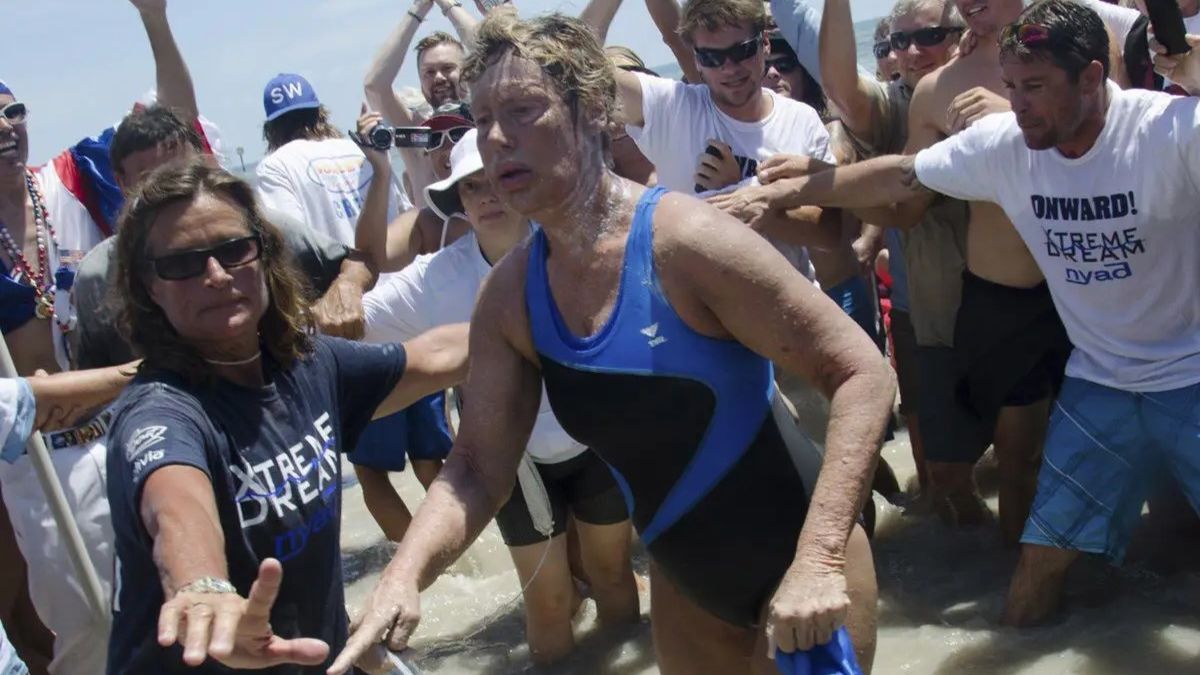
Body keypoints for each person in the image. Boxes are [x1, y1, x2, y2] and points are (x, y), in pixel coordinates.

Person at [332, 12, 893, 675]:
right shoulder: (511, 296)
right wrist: (402, 574)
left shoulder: (682, 240)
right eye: (480, 118)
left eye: (521, 109)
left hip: (798, 564)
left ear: (595, 108)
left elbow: (862, 369)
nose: (496, 138)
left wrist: (820, 557)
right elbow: (479, 464)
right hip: (689, 587)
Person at [710, 0, 1200, 626]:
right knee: (1039, 563)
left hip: (1188, 377)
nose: (1017, 104)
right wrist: (790, 187)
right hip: (1101, 382)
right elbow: (904, 177)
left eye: (1036, 89)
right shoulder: (1008, 143)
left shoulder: (1166, 130)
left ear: (1092, 77)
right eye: (1013, 87)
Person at [719, 0, 1072, 541]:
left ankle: (1027, 588)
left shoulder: (1007, 90)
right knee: (946, 478)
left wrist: (817, 186)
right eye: (894, 44)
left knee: (1026, 461)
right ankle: (971, 576)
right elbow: (882, 158)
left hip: (1025, 301)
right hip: (929, 315)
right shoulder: (909, 105)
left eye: (928, 34)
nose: (909, 52)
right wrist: (821, 186)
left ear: (964, 34)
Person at [103, 159, 468, 672]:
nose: (215, 275)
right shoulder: (161, 413)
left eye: (233, 250)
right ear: (149, 287)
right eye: (182, 263)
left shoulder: (307, 366)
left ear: (264, 254)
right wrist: (202, 585)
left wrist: (535, 312)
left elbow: (435, 358)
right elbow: (175, 505)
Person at [359, 128, 639, 663]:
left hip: (593, 436)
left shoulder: (572, 244)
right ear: (457, 202)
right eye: (469, 189)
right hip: (512, 459)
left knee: (614, 577)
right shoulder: (435, 278)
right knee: (548, 602)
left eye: (493, 182)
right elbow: (346, 327)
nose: (486, 197)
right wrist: (347, 280)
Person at [0, 1, 200, 670]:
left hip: (124, 420)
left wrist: (154, 20)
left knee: (169, 590)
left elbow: (175, 134)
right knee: (72, 627)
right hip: (29, 450)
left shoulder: (70, 177)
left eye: (13, 110)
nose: (5, 125)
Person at [71, 105, 379, 369]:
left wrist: (347, 287)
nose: (171, 193)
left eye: (233, 253)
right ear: (121, 183)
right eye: (151, 181)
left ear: (202, 162)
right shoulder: (97, 275)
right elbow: (90, 378)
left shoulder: (257, 227)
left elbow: (357, 260)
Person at [255, 72, 411, 283]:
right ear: (321, 114)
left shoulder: (275, 166)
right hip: (404, 289)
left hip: (346, 299)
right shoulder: (366, 150)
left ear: (270, 130)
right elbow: (407, 217)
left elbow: (291, 245)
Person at [364, 0, 484, 208]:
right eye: (429, 72)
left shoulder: (487, 121)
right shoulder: (416, 135)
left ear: (467, 72)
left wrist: (448, 5)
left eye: (447, 68)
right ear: (420, 83)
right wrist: (418, 9)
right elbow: (375, 86)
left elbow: (497, 53)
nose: (438, 77)